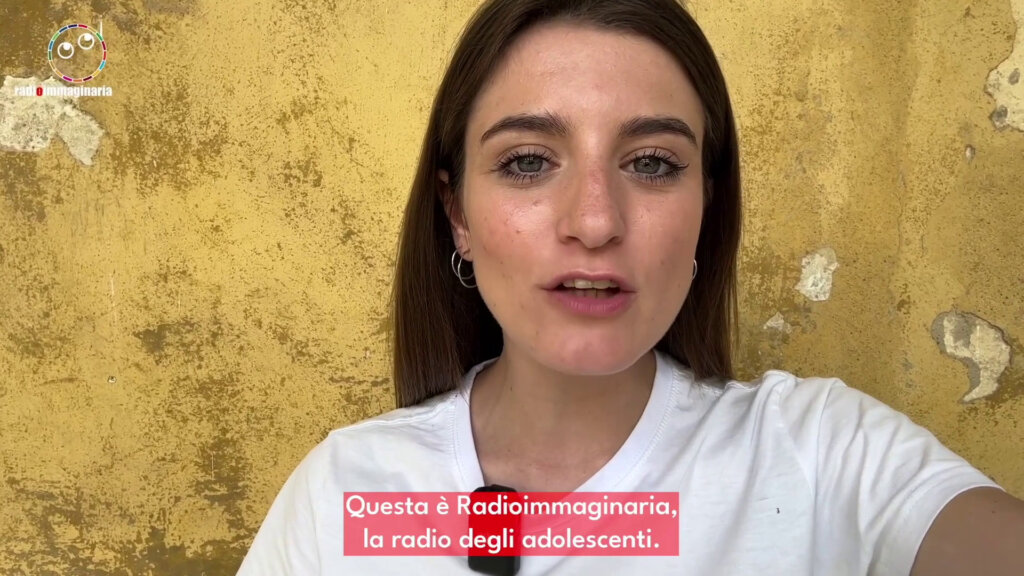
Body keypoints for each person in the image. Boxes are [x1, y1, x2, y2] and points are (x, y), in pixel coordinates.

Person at [237, 0, 1024, 574]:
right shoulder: (345, 493)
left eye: (651, 163)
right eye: (527, 162)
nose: (595, 221)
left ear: (706, 209)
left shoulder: (821, 455)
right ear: (458, 215)